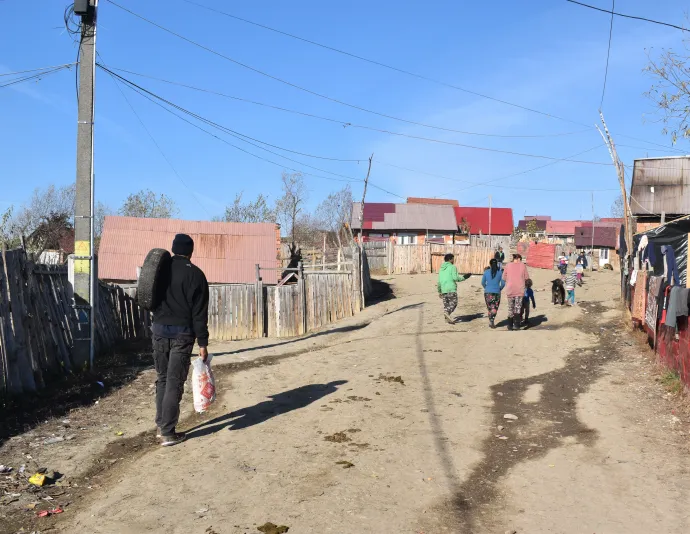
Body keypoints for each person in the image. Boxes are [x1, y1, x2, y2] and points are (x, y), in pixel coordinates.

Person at [152, 234, 210, 447]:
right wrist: (202, 343)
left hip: (158, 330)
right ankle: (168, 432)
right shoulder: (196, 275)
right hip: (182, 334)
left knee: (163, 378)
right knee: (174, 381)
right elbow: (199, 314)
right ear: (191, 252)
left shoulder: (161, 271)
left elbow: (148, 297)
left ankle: (161, 425)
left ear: (173, 249)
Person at [437, 253, 467, 324]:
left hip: (443, 289)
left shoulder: (441, 269)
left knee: (446, 305)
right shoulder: (453, 267)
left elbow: (439, 281)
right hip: (451, 288)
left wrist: (439, 291)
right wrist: (464, 277)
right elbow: (455, 278)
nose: (454, 260)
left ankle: (446, 319)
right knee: (454, 303)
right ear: (450, 259)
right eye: (453, 259)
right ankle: (447, 313)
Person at [503, 254, 529, 331]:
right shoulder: (523, 266)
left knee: (510, 307)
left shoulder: (508, 265)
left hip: (510, 289)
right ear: (518, 259)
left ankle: (509, 325)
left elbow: (504, 277)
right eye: (520, 259)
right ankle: (516, 325)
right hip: (519, 289)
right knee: (517, 307)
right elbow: (527, 277)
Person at [481, 258, 505, 329]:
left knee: (489, 308)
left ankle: (491, 321)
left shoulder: (486, 272)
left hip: (487, 292)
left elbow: (482, 283)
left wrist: (487, 288)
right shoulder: (500, 272)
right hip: (496, 292)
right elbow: (503, 283)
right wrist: (499, 288)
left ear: (490, 264)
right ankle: (492, 321)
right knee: (494, 308)